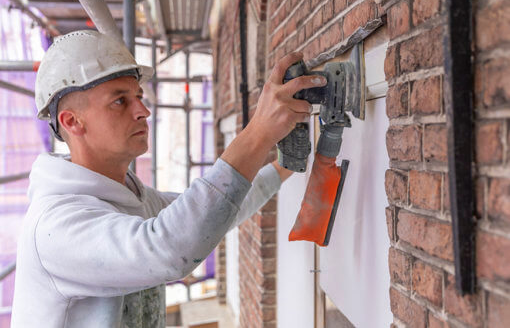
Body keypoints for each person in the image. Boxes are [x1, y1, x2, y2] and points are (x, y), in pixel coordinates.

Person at [10, 30, 326, 327]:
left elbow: (215, 212)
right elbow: (169, 248)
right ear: (72, 121)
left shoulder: (134, 199)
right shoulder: (57, 226)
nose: (142, 110)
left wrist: (285, 167)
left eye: (139, 96)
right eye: (120, 101)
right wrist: (259, 132)